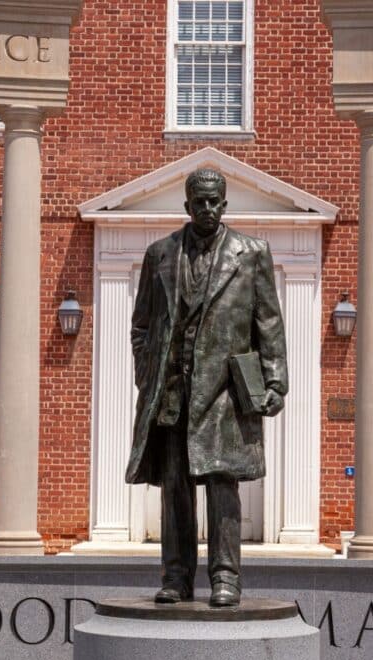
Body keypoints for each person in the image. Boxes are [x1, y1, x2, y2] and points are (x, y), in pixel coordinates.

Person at [127, 168, 288, 607]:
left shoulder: (251, 253)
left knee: (222, 484)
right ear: (187, 205)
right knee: (176, 486)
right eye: (199, 202)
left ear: (225, 204)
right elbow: (141, 326)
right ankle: (176, 578)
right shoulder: (160, 254)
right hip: (173, 391)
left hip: (224, 392)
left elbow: (268, 323)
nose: (207, 209)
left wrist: (275, 381)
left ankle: (225, 577)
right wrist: (150, 372)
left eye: (214, 201)